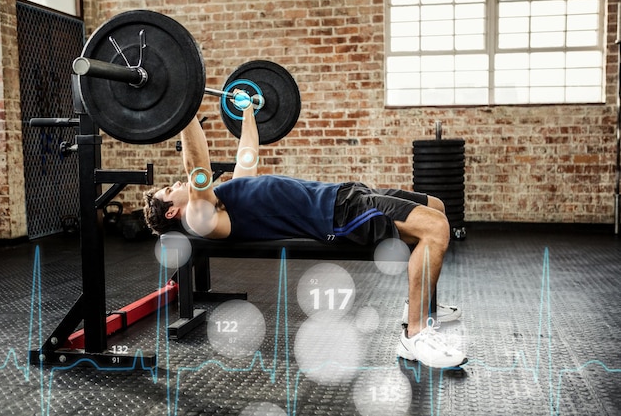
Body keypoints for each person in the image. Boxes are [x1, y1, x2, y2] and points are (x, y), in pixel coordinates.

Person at [143, 101, 466, 368]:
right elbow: (196, 166)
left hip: (343, 194)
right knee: (435, 228)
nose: (177, 184)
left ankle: (422, 303)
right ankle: (415, 334)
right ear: (172, 212)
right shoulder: (202, 218)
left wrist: (249, 112)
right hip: (334, 216)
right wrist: (184, 110)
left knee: (435, 207)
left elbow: (247, 158)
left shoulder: (223, 196)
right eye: (170, 191)